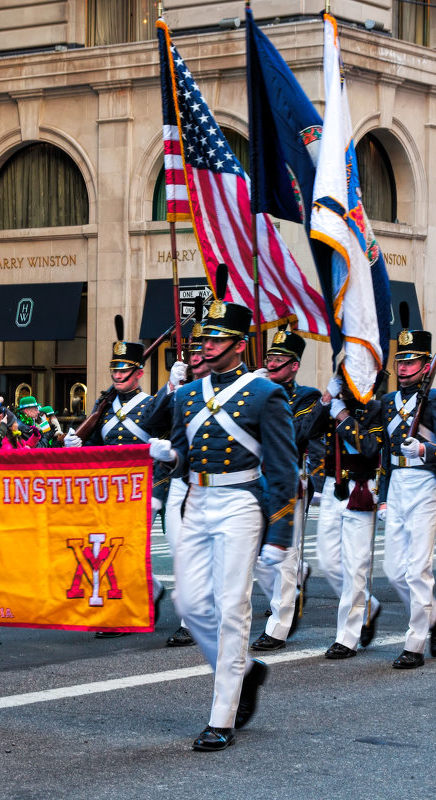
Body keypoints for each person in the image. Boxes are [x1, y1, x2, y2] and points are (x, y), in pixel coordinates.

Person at [148, 297, 298, 751]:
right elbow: (181, 453)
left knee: (232, 605)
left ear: (239, 345)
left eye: (216, 339)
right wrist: (166, 456)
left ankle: (222, 714)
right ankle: (244, 671)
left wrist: (279, 534)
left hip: (240, 502)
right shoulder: (188, 394)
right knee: (191, 605)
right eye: (204, 339)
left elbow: (282, 469)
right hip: (196, 500)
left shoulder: (264, 394)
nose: (207, 347)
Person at [65, 328, 173, 638]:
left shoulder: (152, 404)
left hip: (148, 486)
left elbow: (163, 443)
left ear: (139, 373)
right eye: (115, 369)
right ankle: (151, 590)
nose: (118, 374)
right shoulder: (105, 407)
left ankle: (125, 612)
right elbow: (97, 448)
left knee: (128, 549)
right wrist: (78, 445)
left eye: (124, 369)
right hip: (114, 491)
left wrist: (157, 493)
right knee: (118, 550)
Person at [378, 325, 436, 669]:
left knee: (417, 570)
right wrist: (382, 497)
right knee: (393, 569)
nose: (404, 367)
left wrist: (426, 448)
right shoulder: (388, 401)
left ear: (427, 365)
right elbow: (384, 453)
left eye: (412, 362)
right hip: (397, 483)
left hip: (425, 484)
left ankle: (415, 643)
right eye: (401, 361)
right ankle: (435, 615)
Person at [250, 329, 321, 652]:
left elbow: (296, 435)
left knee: (285, 556)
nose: (273, 362)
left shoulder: (305, 397)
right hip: (252, 479)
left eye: (280, 359)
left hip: (287, 480)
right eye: (270, 358)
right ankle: (289, 592)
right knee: (256, 556)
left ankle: (279, 625)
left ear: (294, 366)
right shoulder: (252, 391)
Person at [313, 367, 385, 659]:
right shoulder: (333, 404)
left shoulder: (376, 408)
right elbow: (307, 432)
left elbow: (369, 447)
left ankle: (348, 636)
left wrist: (343, 418)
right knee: (328, 561)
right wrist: (327, 399)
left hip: (360, 487)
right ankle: (368, 604)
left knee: (355, 566)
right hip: (333, 486)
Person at [161, 328, 208, 648]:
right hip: (180, 481)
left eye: (201, 349)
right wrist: (170, 388)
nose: (195, 355)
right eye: (191, 350)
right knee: (181, 552)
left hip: (212, 482)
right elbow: (153, 420)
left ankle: (193, 620)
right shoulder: (183, 390)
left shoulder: (231, 387)